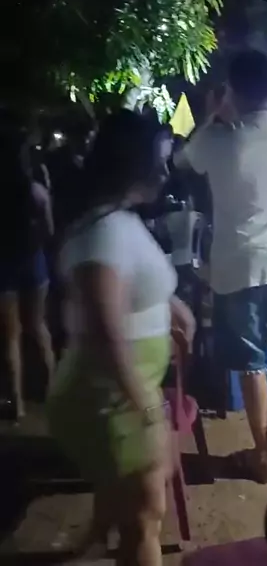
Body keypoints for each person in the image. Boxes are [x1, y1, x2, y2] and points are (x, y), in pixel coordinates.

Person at [46, 111, 195, 566]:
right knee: (146, 516)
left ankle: (94, 540)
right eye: (159, 161)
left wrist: (171, 305)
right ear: (133, 163)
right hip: (111, 399)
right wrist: (150, 412)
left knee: (129, 496)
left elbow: (133, 284)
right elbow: (105, 333)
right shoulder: (102, 235)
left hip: (123, 393)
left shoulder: (117, 220)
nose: (166, 172)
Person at [175, 50, 267, 483]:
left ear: (231, 91)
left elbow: (183, 158)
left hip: (239, 269)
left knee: (253, 366)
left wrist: (214, 114)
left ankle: (263, 456)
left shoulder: (220, 141)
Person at [0, 112, 55, 422]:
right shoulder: (35, 190)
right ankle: (53, 392)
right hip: (33, 259)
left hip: (4, 262)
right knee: (38, 326)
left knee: (10, 336)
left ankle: (17, 404)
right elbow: (49, 229)